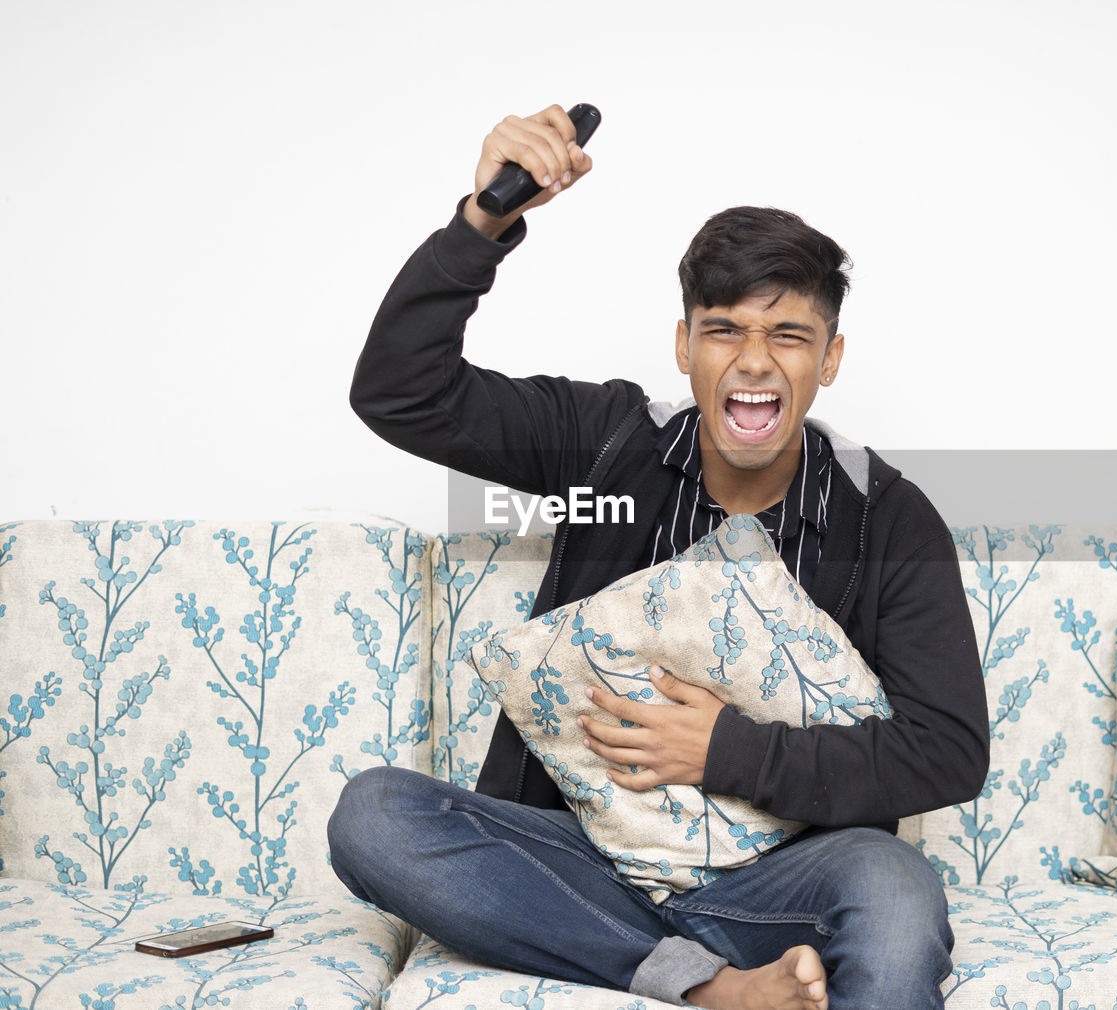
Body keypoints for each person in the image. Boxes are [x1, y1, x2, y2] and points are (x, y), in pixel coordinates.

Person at [328, 104, 989, 1010]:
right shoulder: (605, 445)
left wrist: (729, 750)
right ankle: (712, 988)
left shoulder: (888, 520)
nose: (753, 361)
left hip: (778, 888)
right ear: (685, 346)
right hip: (581, 869)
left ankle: (705, 966)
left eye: (788, 336)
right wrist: (483, 220)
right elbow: (399, 394)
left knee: (897, 886)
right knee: (375, 814)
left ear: (829, 358)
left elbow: (947, 752)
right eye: (723, 329)